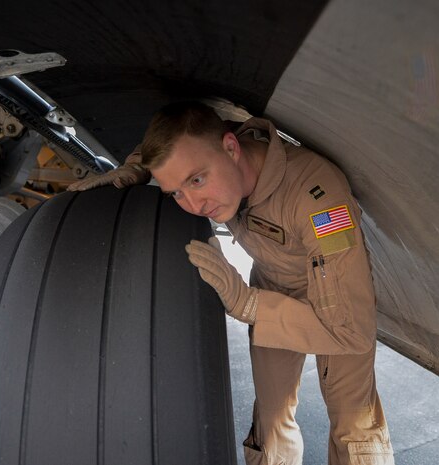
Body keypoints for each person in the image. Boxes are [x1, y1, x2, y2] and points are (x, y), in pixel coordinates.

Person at [69, 101, 394, 465]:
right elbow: (169, 151)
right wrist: (133, 169)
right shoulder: (210, 148)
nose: (193, 203)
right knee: (270, 419)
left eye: (196, 180)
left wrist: (249, 304)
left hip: (339, 304)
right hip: (274, 285)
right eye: (175, 192)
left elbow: (352, 331)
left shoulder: (319, 200)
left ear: (231, 147)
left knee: (354, 423)